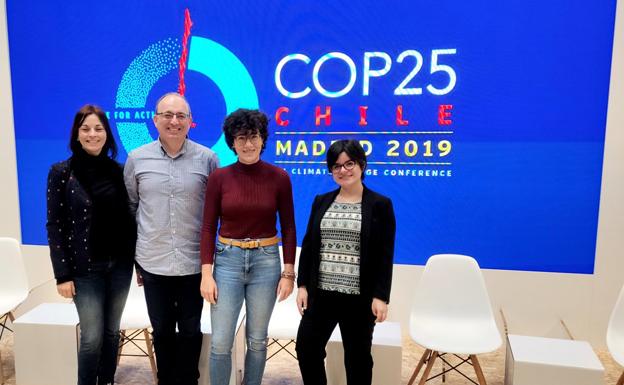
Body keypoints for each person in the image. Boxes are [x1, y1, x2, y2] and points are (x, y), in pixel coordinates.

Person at [123, 92, 219, 385]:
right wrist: (136, 261)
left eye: (181, 116)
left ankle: (189, 380)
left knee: (191, 329)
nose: (174, 121)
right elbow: (131, 209)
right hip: (153, 262)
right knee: (162, 329)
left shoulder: (207, 159)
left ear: (191, 122)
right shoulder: (137, 159)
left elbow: (215, 212)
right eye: (167, 115)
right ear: (155, 120)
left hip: (193, 265)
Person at [199, 108, 297, 385]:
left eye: (253, 136)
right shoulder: (219, 177)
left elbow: (289, 228)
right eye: (241, 137)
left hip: (266, 262)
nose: (248, 144)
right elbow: (207, 228)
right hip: (227, 262)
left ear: (263, 139)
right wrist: (207, 274)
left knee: (257, 339)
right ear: (232, 142)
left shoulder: (279, 178)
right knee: (220, 341)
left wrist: (288, 273)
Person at [46, 104, 136, 385]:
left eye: (98, 129)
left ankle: (107, 380)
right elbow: (55, 225)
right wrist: (62, 275)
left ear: (107, 135)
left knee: (112, 332)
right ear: (77, 134)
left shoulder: (120, 171)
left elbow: (131, 220)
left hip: (120, 266)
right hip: (85, 269)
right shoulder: (61, 172)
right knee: (91, 336)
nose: (92, 134)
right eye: (86, 129)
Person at [295, 139, 396, 385]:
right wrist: (302, 285)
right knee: (307, 349)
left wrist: (381, 296)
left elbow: (385, 254)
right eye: (336, 166)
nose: (343, 170)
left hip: (359, 300)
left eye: (349, 163)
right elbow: (309, 246)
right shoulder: (322, 201)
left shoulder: (380, 205)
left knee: (358, 359)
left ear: (361, 165)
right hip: (321, 295)